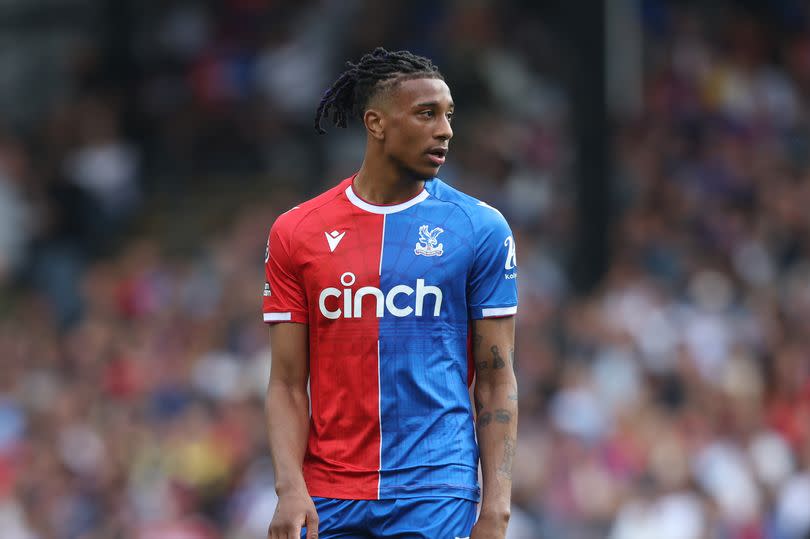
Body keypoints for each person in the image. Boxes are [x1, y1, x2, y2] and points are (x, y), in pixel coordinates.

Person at [262, 48, 518, 539]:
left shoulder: (480, 228)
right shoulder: (297, 232)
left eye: (449, 116)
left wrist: (497, 508)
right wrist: (290, 488)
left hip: (438, 490)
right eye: (427, 114)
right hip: (329, 493)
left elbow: (496, 381)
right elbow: (288, 384)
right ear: (375, 123)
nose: (444, 130)